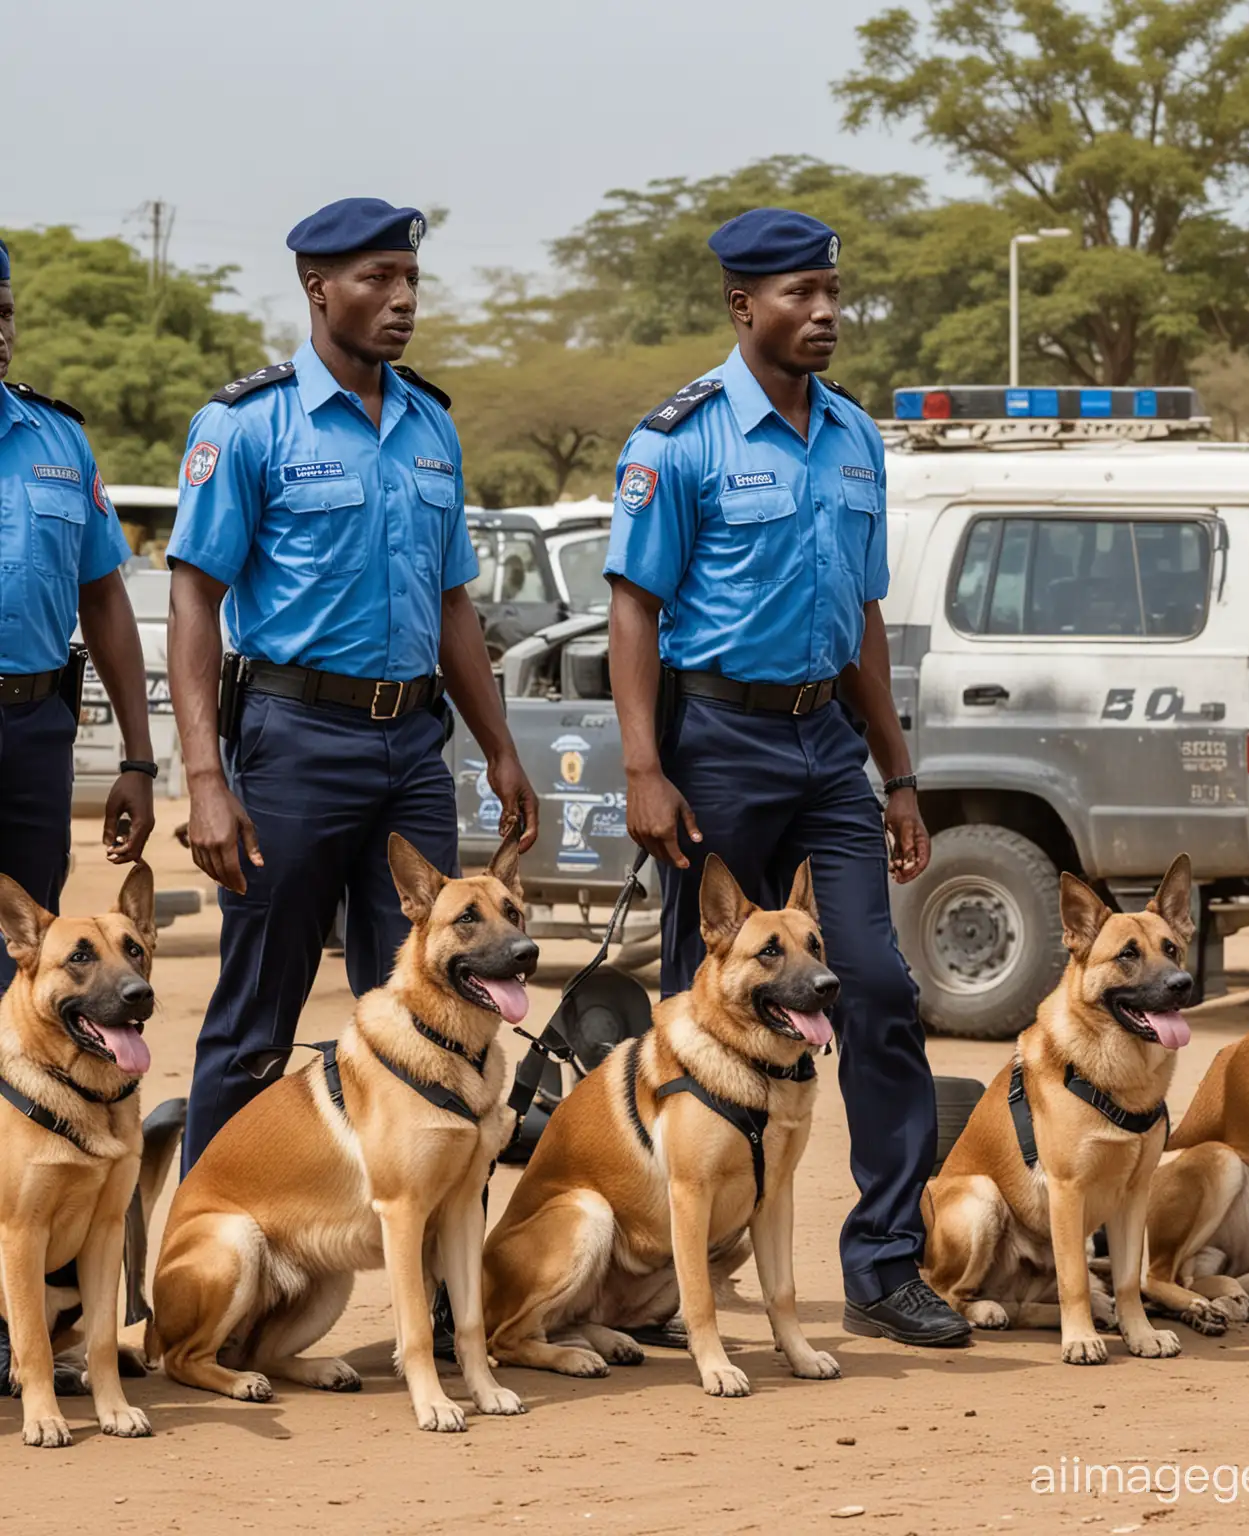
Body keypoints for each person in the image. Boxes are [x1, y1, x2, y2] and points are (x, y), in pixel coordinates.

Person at [604, 208, 970, 1346]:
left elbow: (863, 617)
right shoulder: (680, 439)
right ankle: (678, 1267)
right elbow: (634, 608)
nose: (823, 315)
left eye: (833, 294)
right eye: (799, 295)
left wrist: (898, 773)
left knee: (877, 988)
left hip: (826, 748)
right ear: (741, 307)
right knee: (699, 1018)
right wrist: (645, 766)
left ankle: (885, 1263)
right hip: (715, 738)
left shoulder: (857, 436)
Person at [167, 199, 539, 1184]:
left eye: (410, 280)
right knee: (257, 1015)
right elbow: (194, 600)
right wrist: (204, 776)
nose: (401, 299)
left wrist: (498, 745)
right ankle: (213, 1245)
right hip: (293, 744)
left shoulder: (430, 426)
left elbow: (454, 601)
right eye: (377, 279)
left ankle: (430, 1282)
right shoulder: (246, 423)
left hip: (414, 750)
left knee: (436, 1011)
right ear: (316, 287)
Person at [0, 233, 157, 1386]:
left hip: (31, 729)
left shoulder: (57, 442)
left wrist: (140, 755)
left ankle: (46, 1323)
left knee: (35, 989)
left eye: (2, 306)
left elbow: (103, 595)